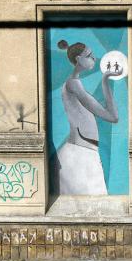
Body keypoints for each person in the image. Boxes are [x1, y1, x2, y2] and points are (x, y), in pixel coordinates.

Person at [55, 39, 121, 194]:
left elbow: (112, 116)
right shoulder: (73, 84)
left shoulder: (75, 83)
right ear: (78, 59)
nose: (94, 58)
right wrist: (105, 80)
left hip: (84, 153)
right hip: (79, 156)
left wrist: (105, 81)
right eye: (89, 55)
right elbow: (112, 116)